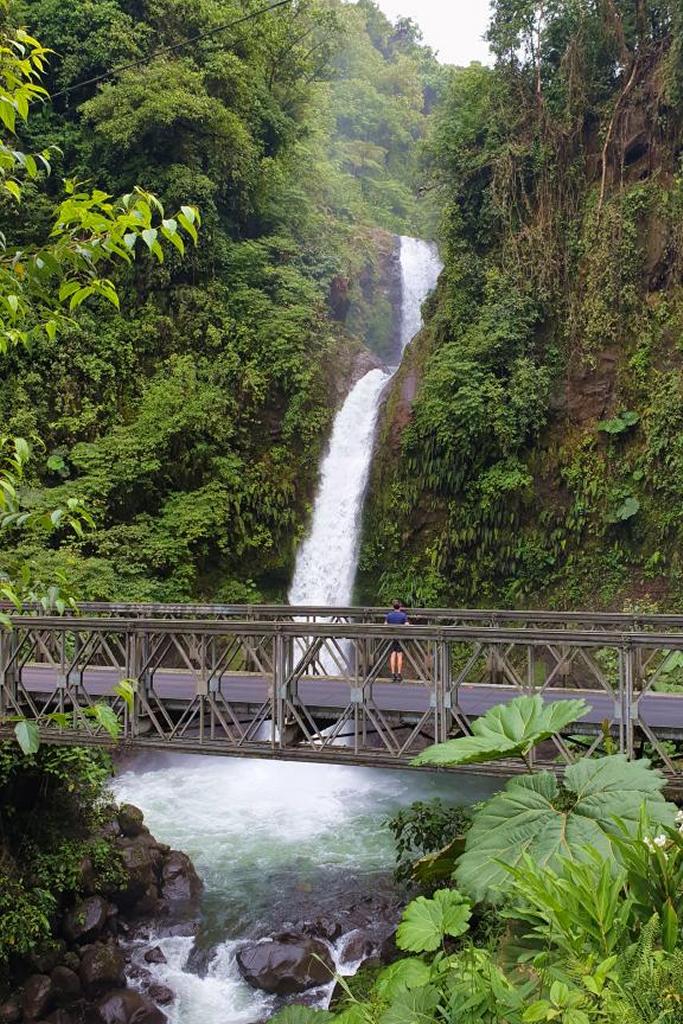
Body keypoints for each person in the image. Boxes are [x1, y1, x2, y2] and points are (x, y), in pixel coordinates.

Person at [385, 600, 408, 682]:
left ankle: (393, 673)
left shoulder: (389, 615)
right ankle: (399, 673)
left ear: (393, 607)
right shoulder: (403, 615)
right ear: (400, 606)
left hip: (392, 637)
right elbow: (406, 625)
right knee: (399, 655)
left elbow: (385, 625)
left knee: (393, 654)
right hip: (400, 637)